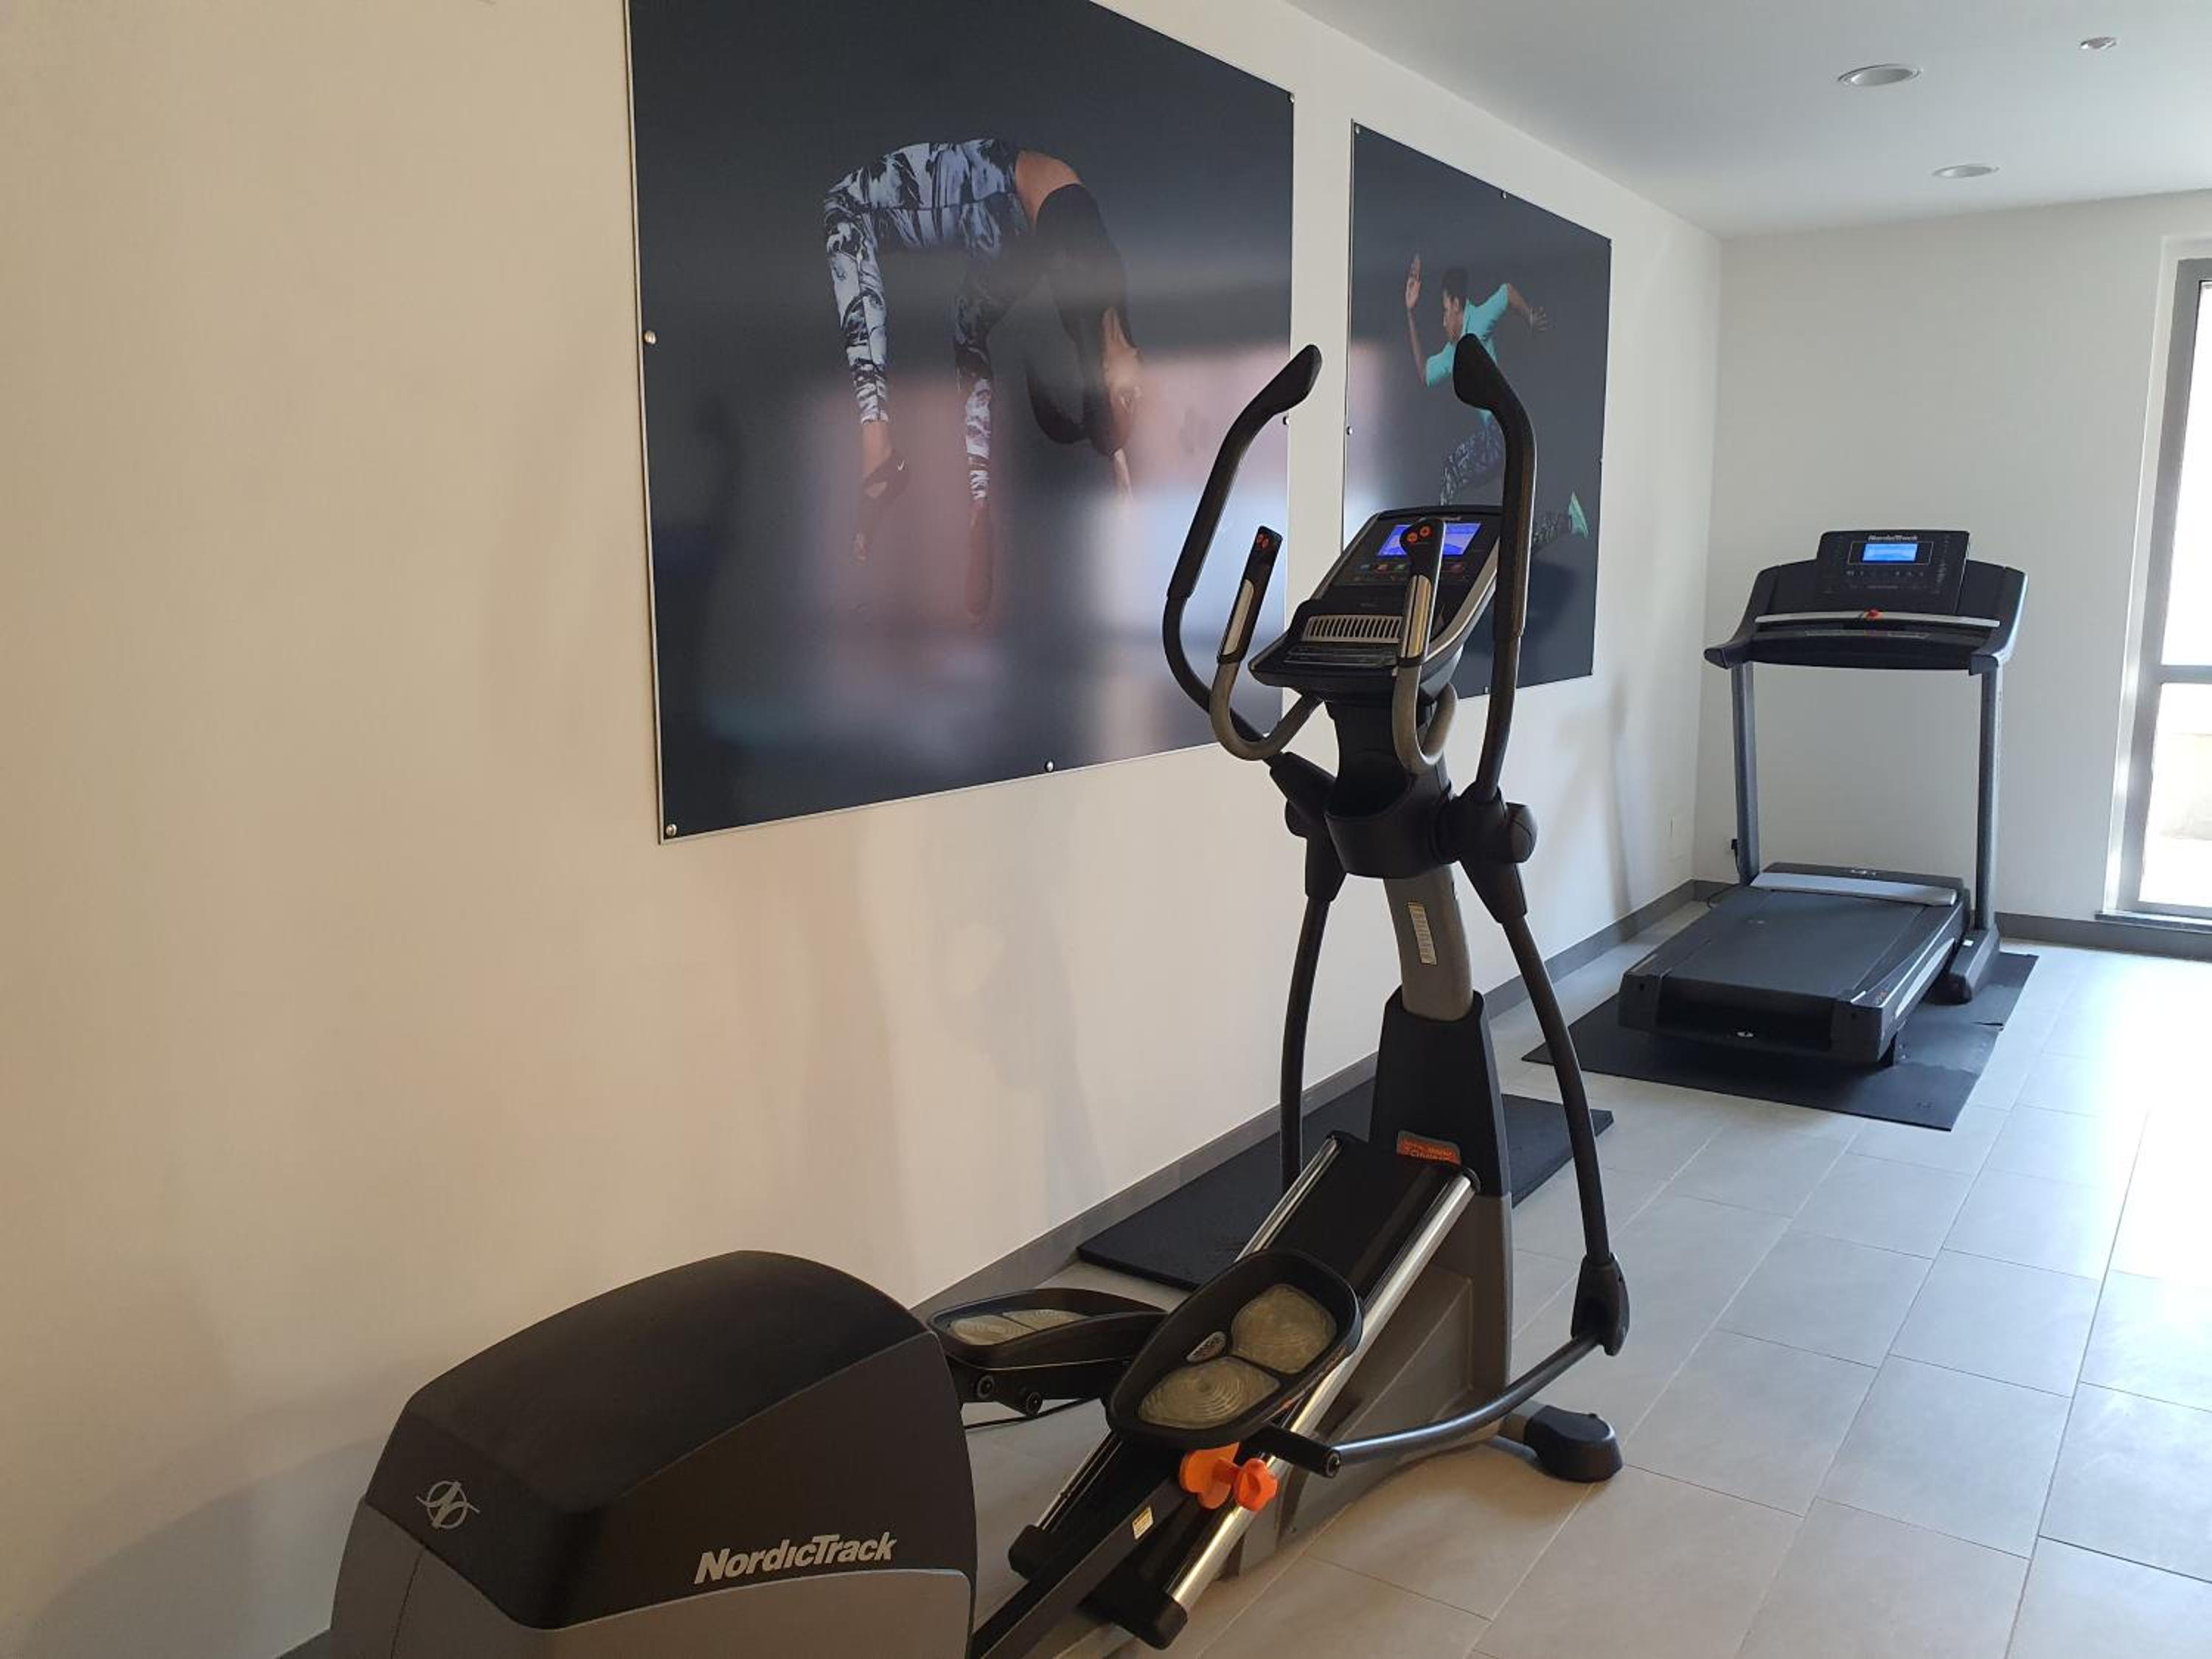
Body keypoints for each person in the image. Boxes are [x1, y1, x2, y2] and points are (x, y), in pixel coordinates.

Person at [824, 139, 1144, 616]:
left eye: (1130, 396)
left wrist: (1113, 440)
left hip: (990, 187)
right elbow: (1099, 375)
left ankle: (878, 452)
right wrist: (1118, 460)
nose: (1142, 385)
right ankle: (979, 500)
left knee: (843, 206)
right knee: (966, 327)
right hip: (1014, 240)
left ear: (1107, 382)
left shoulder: (1088, 290)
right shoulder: (1107, 328)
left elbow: (1098, 359)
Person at [1403, 254, 1587, 550]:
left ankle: (1436, 548)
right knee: (1513, 534)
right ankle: (1569, 521)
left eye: (1445, 311)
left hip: (1501, 430)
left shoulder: (1477, 321)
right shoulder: (1451, 353)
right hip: (1505, 437)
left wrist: (1529, 317)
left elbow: (1506, 293)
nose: (1443, 321)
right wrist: (1410, 313)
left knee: (1452, 469)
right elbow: (1425, 374)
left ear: (1457, 305)